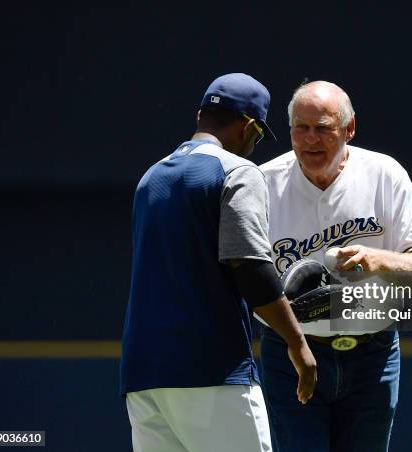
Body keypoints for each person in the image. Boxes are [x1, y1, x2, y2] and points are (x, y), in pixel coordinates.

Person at [120, 73, 317, 452]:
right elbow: (251, 268)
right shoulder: (236, 171)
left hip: (143, 375)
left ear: (199, 116)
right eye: (258, 137)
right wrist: (298, 344)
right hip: (212, 371)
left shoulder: (151, 177)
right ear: (248, 126)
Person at [258, 81, 412, 452]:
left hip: (373, 354)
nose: (310, 139)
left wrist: (379, 259)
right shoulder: (263, 184)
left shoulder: (385, 174)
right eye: (300, 128)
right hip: (291, 353)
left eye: (323, 128)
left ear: (349, 128)